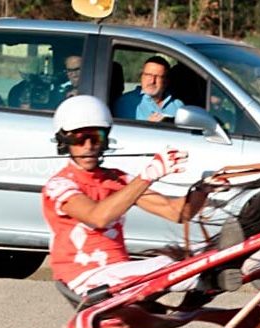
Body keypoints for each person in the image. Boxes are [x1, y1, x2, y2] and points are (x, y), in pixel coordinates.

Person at [43, 95, 239, 298]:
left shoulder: (117, 179)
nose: (88, 146)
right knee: (169, 264)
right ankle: (208, 277)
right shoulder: (59, 185)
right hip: (86, 278)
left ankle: (218, 266)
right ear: (65, 141)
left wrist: (202, 191)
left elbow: (176, 213)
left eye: (97, 137)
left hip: (118, 272)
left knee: (187, 253)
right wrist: (147, 176)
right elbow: (98, 217)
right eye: (79, 138)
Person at [112, 55, 183, 122]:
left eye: (158, 77)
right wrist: (147, 126)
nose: (152, 81)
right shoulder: (125, 102)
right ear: (141, 77)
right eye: (148, 75)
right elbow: (120, 132)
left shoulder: (178, 105)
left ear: (166, 81)